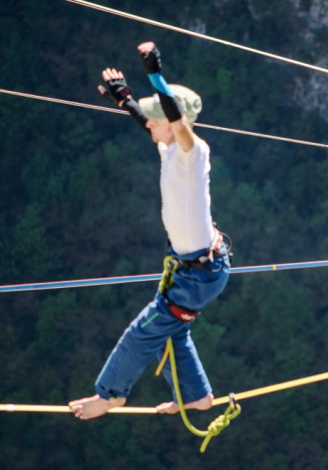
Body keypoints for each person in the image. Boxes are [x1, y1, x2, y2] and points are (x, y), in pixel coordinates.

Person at [69, 41, 231, 419]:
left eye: (158, 119)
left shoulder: (193, 153)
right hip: (195, 269)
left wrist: (155, 73)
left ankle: (110, 394)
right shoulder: (170, 148)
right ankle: (197, 396)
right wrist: (124, 98)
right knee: (169, 333)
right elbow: (153, 124)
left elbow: (174, 121)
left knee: (143, 333)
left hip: (198, 273)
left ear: (176, 124)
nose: (151, 124)